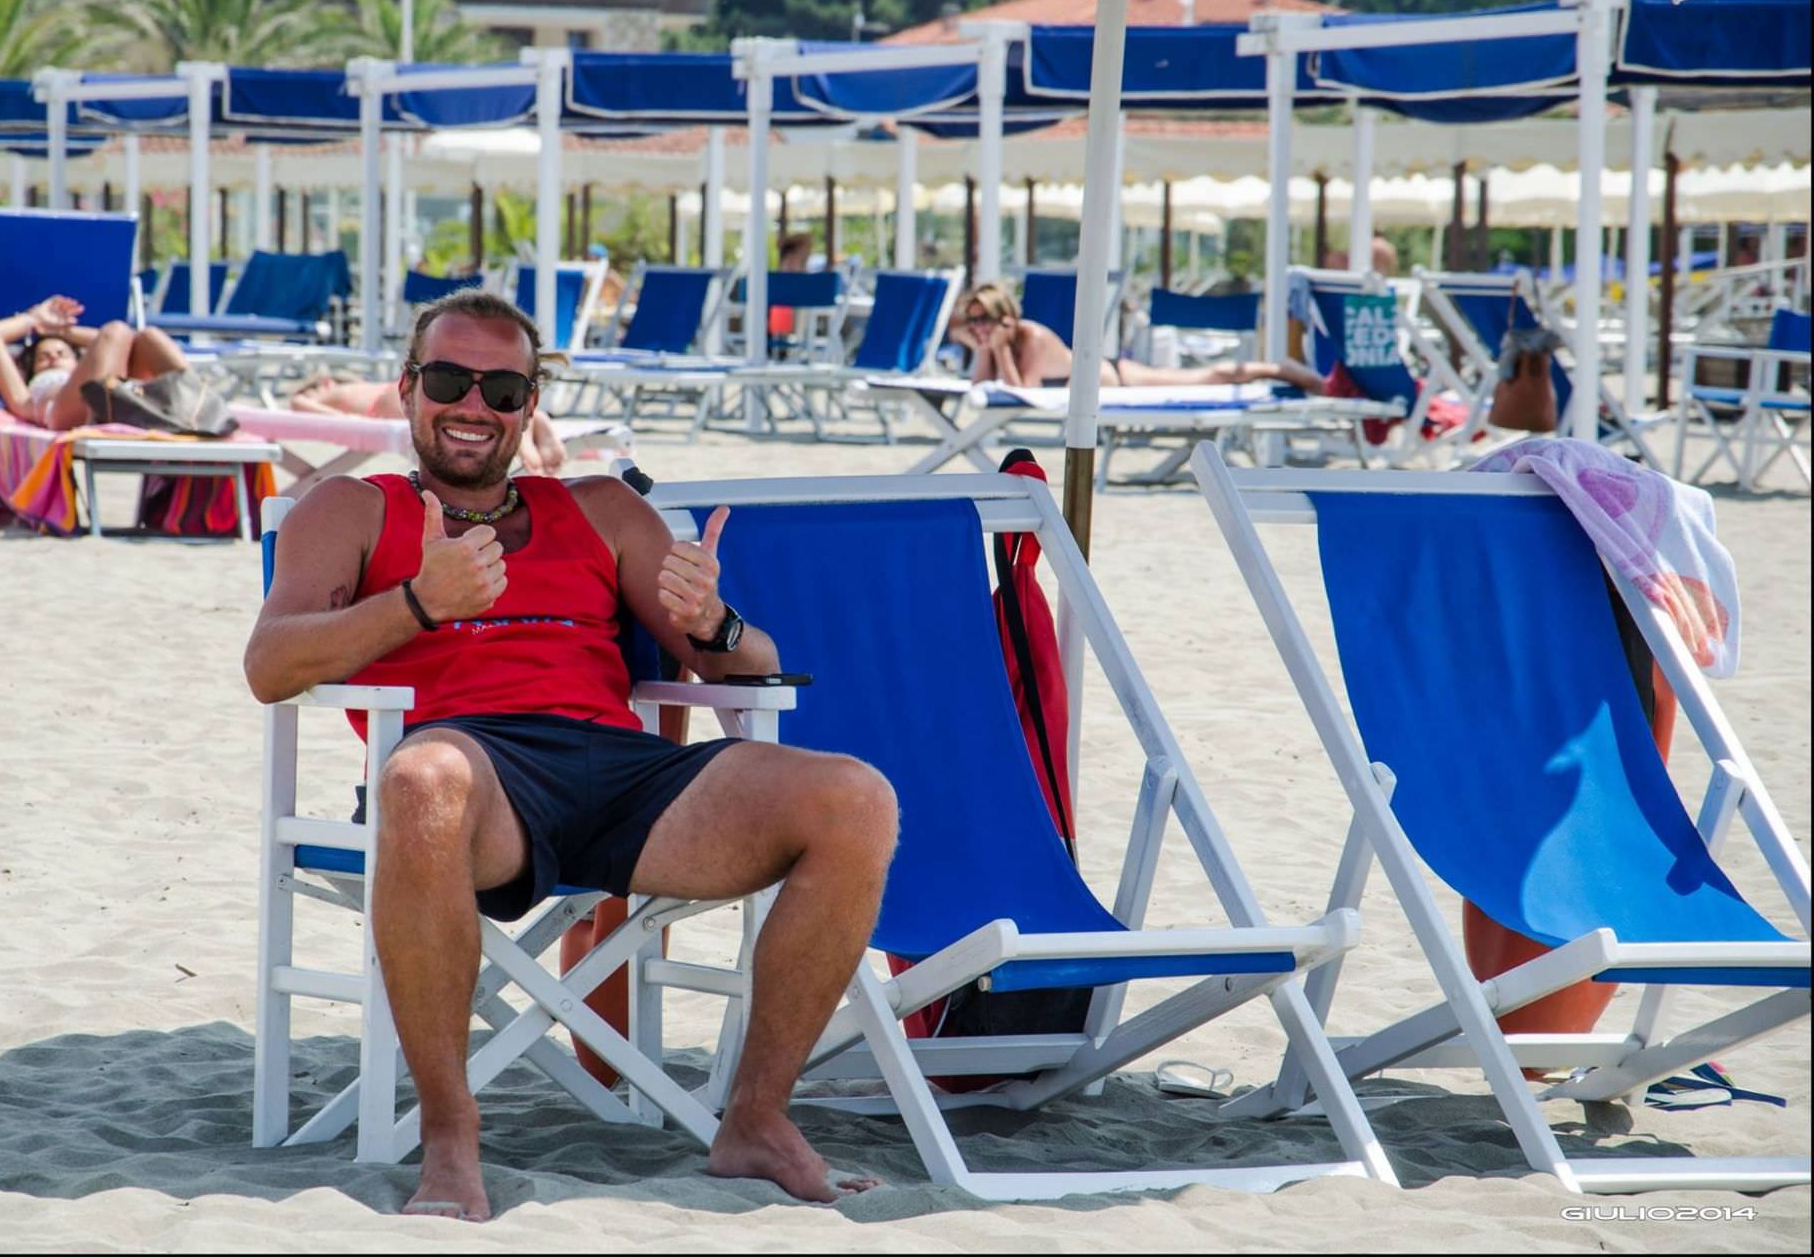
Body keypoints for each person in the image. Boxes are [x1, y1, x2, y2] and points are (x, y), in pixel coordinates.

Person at [243, 287, 899, 1223]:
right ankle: (451, 1139)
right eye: (449, 379)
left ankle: (755, 1118)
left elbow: (751, 667)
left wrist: (717, 620)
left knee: (855, 798)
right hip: (470, 776)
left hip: (622, 773)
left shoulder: (598, 509)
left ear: (529, 408)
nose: (475, 405)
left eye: (503, 389)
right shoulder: (350, 508)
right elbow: (270, 667)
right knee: (420, 780)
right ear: (405, 388)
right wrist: (419, 605)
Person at [950, 281, 1323, 392]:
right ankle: (1280, 368)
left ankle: (1281, 368)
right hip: (1106, 379)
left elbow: (1023, 393)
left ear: (1008, 318)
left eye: (986, 320)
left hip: (1118, 378)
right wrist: (986, 347)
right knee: (1206, 377)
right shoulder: (1000, 340)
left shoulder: (1031, 337)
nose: (980, 327)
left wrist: (996, 350)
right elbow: (980, 387)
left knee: (1208, 377)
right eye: (974, 322)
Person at [0, 297, 189, 431]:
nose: (53, 358)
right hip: (64, 411)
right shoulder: (25, 398)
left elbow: (122, 343)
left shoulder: (87, 370)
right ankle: (102, 413)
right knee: (117, 329)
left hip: (109, 393)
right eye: (42, 358)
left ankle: (198, 405)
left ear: (79, 363)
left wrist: (60, 331)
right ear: (31, 372)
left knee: (149, 337)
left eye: (62, 353)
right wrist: (35, 319)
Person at [289, 375, 571, 476]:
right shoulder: (358, 386)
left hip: (382, 405)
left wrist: (349, 421)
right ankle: (533, 419)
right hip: (387, 396)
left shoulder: (332, 391)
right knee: (492, 408)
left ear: (324, 383)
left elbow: (300, 404)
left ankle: (527, 430)